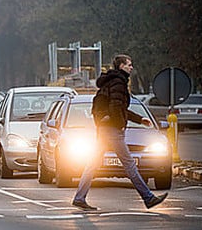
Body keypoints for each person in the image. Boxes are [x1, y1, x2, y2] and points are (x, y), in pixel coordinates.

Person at [72, 54, 168, 211]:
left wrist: (139, 119)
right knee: (129, 163)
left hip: (105, 129)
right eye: (129, 65)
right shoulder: (119, 82)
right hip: (112, 131)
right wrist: (119, 125)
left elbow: (119, 108)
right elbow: (117, 108)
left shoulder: (112, 81)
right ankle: (148, 198)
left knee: (92, 163)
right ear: (121, 66)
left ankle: (79, 197)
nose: (131, 67)